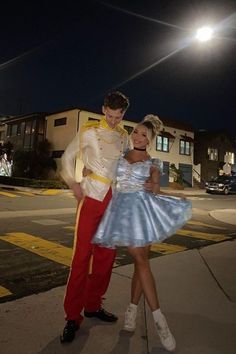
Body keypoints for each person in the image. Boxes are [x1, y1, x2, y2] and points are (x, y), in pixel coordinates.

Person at [93, 114, 192, 352]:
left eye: (143, 135)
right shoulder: (119, 157)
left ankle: (134, 312)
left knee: (141, 263)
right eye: (136, 132)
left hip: (144, 214)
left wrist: (155, 187)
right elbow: (103, 173)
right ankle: (160, 321)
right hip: (122, 214)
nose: (138, 136)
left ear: (150, 140)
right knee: (141, 261)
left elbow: (156, 190)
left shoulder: (153, 164)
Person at [60, 91, 130, 343]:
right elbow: (67, 159)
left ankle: (93, 306)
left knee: (105, 258)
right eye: (110, 115)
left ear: (123, 114)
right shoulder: (89, 132)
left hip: (113, 200)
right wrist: (74, 183)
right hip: (90, 198)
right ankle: (71, 316)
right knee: (81, 258)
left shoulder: (124, 137)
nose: (113, 120)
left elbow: (126, 167)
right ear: (103, 110)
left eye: (118, 116)